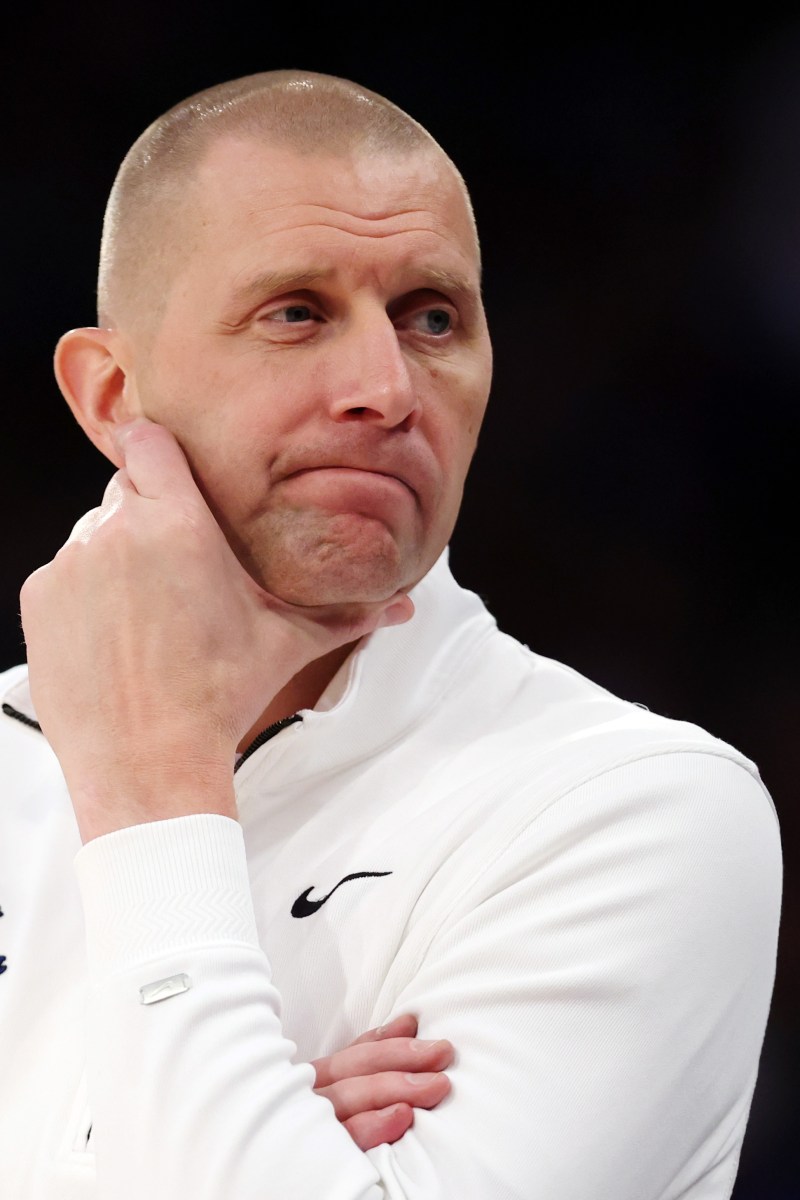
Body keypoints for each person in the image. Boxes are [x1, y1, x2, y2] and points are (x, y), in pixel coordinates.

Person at [0, 69, 781, 1200]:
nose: (384, 386)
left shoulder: (633, 807)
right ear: (113, 394)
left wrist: (150, 778)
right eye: (296, 313)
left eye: (431, 318)